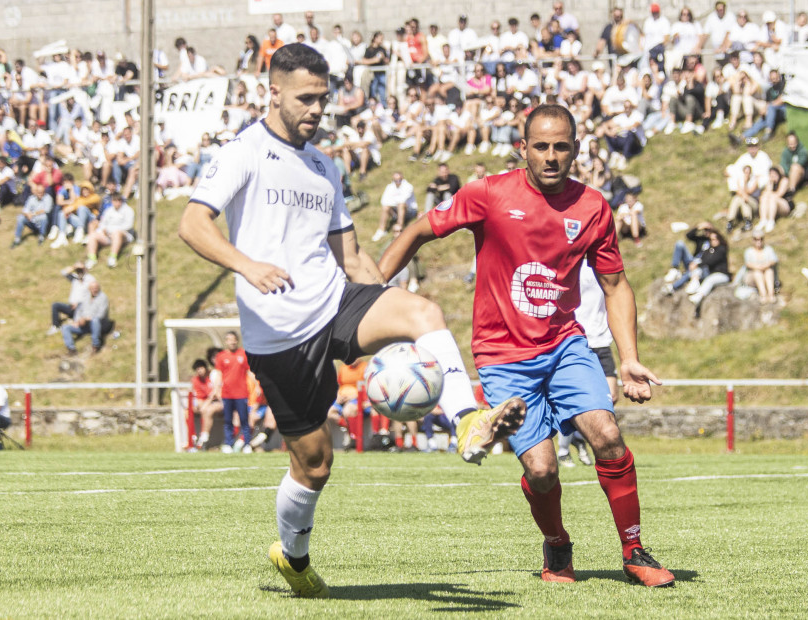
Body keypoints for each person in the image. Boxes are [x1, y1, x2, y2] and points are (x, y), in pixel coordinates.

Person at [177, 44, 525, 598]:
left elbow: (354, 259)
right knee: (314, 464)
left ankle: (467, 420)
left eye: (323, 98)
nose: (317, 108)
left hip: (334, 302)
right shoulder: (243, 152)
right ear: (273, 92)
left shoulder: (325, 167)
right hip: (279, 335)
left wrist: (394, 304)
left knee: (423, 311)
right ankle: (293, 559)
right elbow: (193, 224)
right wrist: (247, 265)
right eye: (305, 98)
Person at [379, 104, 675, 588]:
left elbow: (616, 285)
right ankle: (557, 544)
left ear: (577, 150)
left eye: (562, 146)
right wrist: (371, 292)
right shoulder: (489, 194)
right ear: (523, 148)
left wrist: (630, 359)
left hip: (565, 345)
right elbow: (416, 231)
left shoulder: (593, 207)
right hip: (502, 357)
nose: (551, 156)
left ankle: (634, 548)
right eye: (541, 146)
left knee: (606, 435)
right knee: (541, 470)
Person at [213, 331, 251, 453]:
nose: (232, 342)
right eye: (229, 339)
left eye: (234, 339)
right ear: (226, 341)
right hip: (227, 394)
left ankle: (247, 444)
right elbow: (219, 374)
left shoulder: (243, 354)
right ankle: (229, 444)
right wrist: (217, 389)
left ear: (237, 340)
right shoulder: (221, 356)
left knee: (244, 419)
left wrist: (257, 385)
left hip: (241, 393)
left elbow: (249, 372)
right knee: (228, 420)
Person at [84, 192, 134, 269]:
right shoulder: (109, 211)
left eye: (118, 200)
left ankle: (112, 257)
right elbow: (103, 223)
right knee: (92, 235)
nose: (117, 203)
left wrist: (113, 231)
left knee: (117, 233)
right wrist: (104, 230)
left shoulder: (128, 210)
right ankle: (92, 258)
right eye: (115, 201)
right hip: (108, 235)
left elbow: (128, 225)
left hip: (123, 235)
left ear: (121, 201)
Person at [60, 280, 111, 355]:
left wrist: (87, 319)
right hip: (84, 325)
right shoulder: (85, 298)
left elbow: (101, 315)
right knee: (65, 327)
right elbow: (79, 311)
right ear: (89, 289)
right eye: (93, 288)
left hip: (98, 325)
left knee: (95, 320)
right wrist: (77, 321)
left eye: (96, 288)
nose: (94, 290)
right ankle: (71, 349)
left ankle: (95, 345)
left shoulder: (103, 298)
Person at [48, 262, 97, 336]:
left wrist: (79, 303)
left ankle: (75, 325)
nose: (79, 271)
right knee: (55, 305)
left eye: (81, 269)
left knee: (80, 310)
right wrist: (74, 267)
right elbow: (63, 272)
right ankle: (56, 326)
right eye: (78, 270)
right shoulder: (75, 279)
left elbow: (94, 293)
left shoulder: (89, 279)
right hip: (71, 307)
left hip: (82, 308)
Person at [371, 171, 418, 241]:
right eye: (395, 180)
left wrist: (392, 200)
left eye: (399, 179)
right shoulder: (390, 187)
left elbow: (402, 200)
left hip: (410, 211)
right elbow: (383, 201)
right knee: (385, 207)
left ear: (402, 178)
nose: (397, 181)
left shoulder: (408, 186)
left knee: (401, 205)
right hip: (396, 210)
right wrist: (394, 201)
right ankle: (381, 230)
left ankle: (399, 228)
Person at [190, 358, 224, 450]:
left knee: (208, 410)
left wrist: (205, 404)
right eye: (197, 369)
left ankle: (204, 438)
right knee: (190, 411)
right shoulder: (196, 380)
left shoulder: (214, 375)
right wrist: (202, 405)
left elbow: (216, 393)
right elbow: (199, 398)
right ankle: (192, 437)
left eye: (201, 368)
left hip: (221, 401)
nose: (199, 371)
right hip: (207, 403)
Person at [742, 230, 778, 304]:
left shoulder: (768, 249)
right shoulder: (749, 251)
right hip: (752, 276)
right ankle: (763, 295)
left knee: (769, 271)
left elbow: (774, 260)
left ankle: (771, 294)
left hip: (766, 273)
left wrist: (765, 266)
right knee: (757, 273)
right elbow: (748, 264)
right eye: (756, 239)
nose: (758, 241)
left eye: (761, 239)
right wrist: (758, 267)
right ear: (753, 240)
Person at [12, 182, 51, 247]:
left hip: (41, 221)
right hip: (32, 221)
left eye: (42, 192)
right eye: (39, 192)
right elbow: (25, 209)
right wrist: (27, 214)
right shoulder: (31, 198)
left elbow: (46, 210)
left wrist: (33, 214)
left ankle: (41, 236)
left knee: (44, 217)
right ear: (36, 192)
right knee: (20, 218)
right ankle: (17, 239)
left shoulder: (48, 198)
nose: (40, 194)